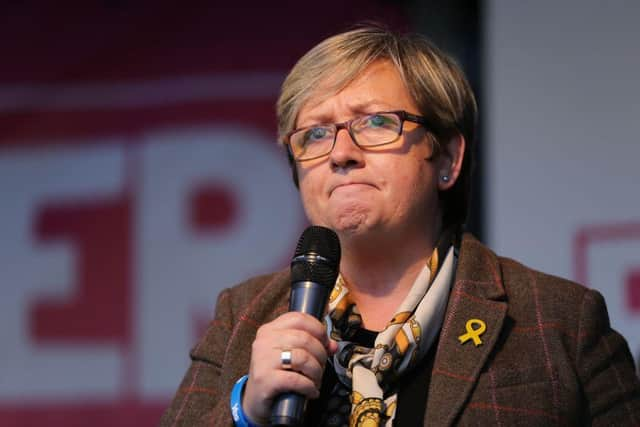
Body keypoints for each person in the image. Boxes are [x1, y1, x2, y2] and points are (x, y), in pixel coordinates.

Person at [160, 25, 640, 426]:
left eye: (374, 123)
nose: (341, 154)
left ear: (448, 158)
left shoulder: (558, 321)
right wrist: (247, 413)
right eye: (315, 134)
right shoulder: (242, 318)